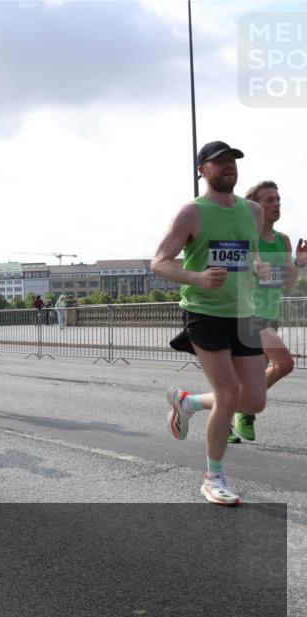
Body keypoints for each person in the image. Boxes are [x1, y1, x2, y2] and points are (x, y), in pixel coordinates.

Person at [152, 140, 272, 505]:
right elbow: (160, 262)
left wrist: (257, 267)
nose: (228, 167)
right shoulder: (191, 213)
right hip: (204, 312)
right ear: (202, 170)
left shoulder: (253, 212)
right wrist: (198, 278)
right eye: (219, 162)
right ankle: (213, 477)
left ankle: (186, 403)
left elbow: (246, 256)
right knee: (228, 394)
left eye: (232, 161)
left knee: (254, 399)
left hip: (243, 313)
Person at [230, 181, 307, 442]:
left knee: (252, 379)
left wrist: (298, 263)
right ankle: (242, 408)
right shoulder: (244, 237)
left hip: (271, 314)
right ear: (255, 206)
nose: (276, 204)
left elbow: (288, 283)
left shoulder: (283, 240)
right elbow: (243, 269)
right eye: (269, 200)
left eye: (278, 200)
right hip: (249, 315)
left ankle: (227, 416)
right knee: (284, 364)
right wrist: (253, 265)